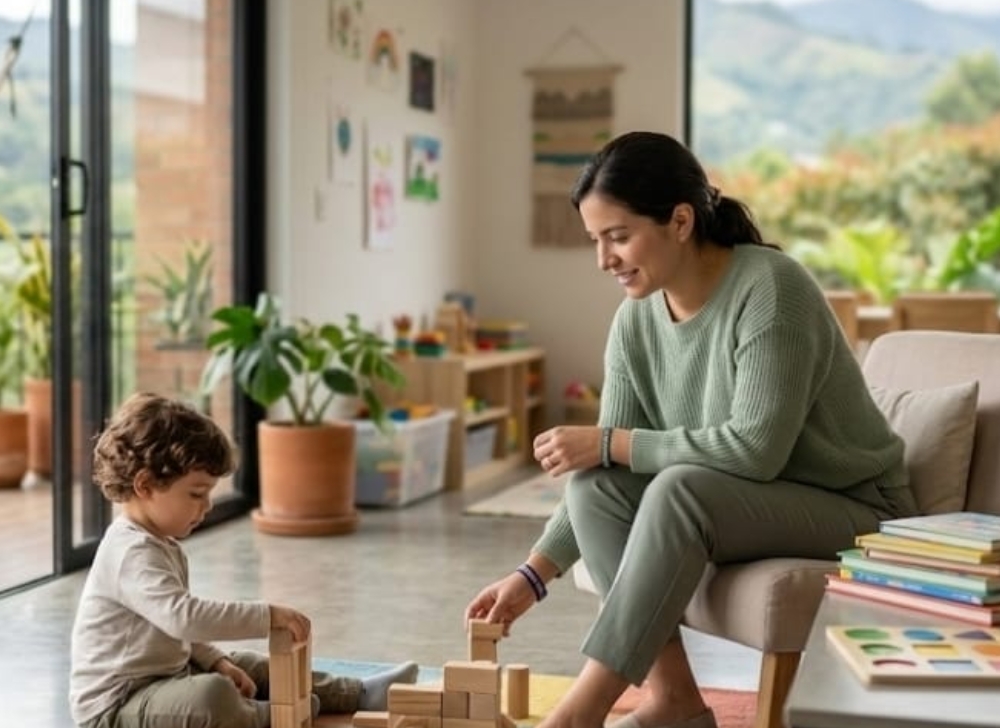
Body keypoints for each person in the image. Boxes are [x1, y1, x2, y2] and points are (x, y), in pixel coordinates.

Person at [464, 131, 918, 728]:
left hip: (858, 509)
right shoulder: (634, 322)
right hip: (752, 504)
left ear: (680, 221)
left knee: (677, 488)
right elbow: (605, 467)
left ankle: (582, 710)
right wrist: (533, 574)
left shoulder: (772, 290)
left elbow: (755, 451)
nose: (605, 260)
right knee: (594, 486)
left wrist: (608, 442)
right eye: (595, 241)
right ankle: (675, 701)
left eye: (619, 236)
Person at [70, 392, 419, 728]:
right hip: (116, 707)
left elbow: (179, 634)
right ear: (145, 486)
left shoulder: (161, 543)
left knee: (251, 666)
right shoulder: (131, 552)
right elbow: (184, 619)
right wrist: (265, 616)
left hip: (166, 679)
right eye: (196, 494)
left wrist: (216, 660)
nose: (206, 507)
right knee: (212, 696)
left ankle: (358, 693)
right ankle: (262, 715)